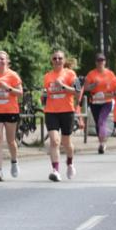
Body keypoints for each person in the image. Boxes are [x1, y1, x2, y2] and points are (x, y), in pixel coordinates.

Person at [0, 50, 23, 181]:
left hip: (10, 111)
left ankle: (14, 161)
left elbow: (20, 93)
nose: (0, 61)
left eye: (3, 59)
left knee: (11, 141)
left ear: (7, 61)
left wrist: (8, 87)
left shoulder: (13, 75)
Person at [42, 50, 78, 181]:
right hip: (51, 111)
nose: (57, 60)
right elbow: (46, 93)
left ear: (64, 60)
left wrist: (62, 86)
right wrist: (44, 97)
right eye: (55, 58)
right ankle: (55, 170)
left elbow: (77, 91)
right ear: (52, 60)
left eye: (60, 58)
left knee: (66, 142)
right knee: (54, 140)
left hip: (67, 111)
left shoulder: (71, 74)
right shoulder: (47, 76)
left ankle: (69, 163)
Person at [83, 53, 116, 154]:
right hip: (95, 102)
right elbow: (86, 87)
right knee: (98, 122)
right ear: (96, 62)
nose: (100, 62)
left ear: (105, 62)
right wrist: (93, 86)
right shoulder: (91, 74)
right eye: (98, 61)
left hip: (107, 101)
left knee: (102, 120)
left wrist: (111, 92)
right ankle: (102, 142)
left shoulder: (110, 74)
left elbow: (115, 85)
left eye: (102, 60)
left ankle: (102, 143)